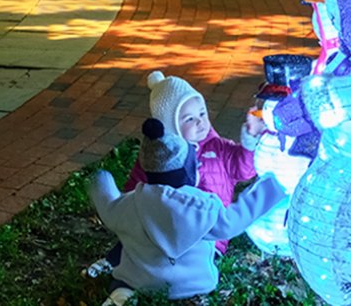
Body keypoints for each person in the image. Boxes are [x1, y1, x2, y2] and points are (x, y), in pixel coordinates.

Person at [84, 71, 264, 280]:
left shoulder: (219, 148)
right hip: (166, 227)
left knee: (192, 261)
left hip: (208, 231)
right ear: (170, 125)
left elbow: (244, 170)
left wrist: (250, 139)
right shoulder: (158, 159)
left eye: (202, 113)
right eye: (189, 119)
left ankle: (173, 280)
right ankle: (116, 260)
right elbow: (134, 189)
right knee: (142, 243)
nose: (200, 122)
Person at [89, 118, 286, 306]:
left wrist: (101, 181)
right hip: (193, 285)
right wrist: (270, 188)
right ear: (188, 170)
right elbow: (233, 222)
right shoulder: (201, 208)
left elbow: (108, 208)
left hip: (141, 281)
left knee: (123, 283)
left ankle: (121, 296)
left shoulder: (129, 204)